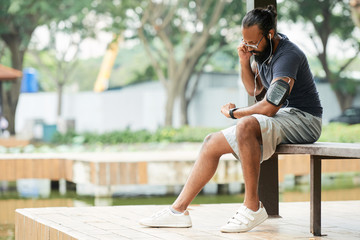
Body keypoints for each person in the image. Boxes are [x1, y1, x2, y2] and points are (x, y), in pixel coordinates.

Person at [139, 5, 322, 233]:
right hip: (285, 115)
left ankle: (252, 206)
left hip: (305, 119)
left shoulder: (288, 55)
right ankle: (178, 211)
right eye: (246, 42)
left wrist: (235, 114)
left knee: (246, 123)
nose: (250, 47)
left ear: (270, 34)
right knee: (210, 143)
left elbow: (270, 105)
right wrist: (244, 61)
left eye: (253, 43)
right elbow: (254, 89)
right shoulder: (261, 53)